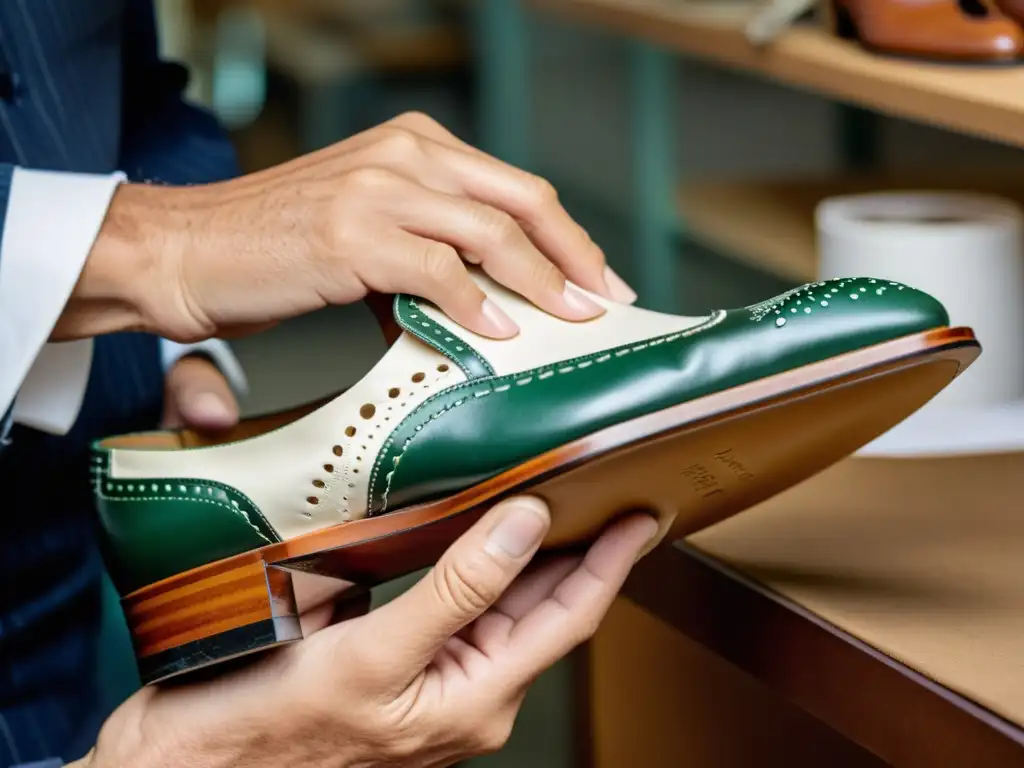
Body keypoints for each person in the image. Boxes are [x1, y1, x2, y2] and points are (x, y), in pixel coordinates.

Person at [0, 2, 652, 767]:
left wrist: (169, 346)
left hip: (48, 581)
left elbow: (125, 96)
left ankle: (198, 485)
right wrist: (153, 251)